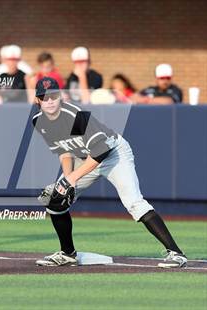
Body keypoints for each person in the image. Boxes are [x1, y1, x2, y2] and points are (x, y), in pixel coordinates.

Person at [32, 77, 187, 268]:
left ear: (60, 96)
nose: (49, 101)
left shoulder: (74, 116)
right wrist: (66, 181)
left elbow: (100, 151)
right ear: (37, 100)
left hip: (113, 154)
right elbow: (64, 152)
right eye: (44, 97)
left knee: (134, 203)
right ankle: (68, 253)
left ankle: (176, 253)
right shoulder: (39, 121)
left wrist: (71, 178)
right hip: (85, 158)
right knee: (56, 200)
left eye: (53, 96)